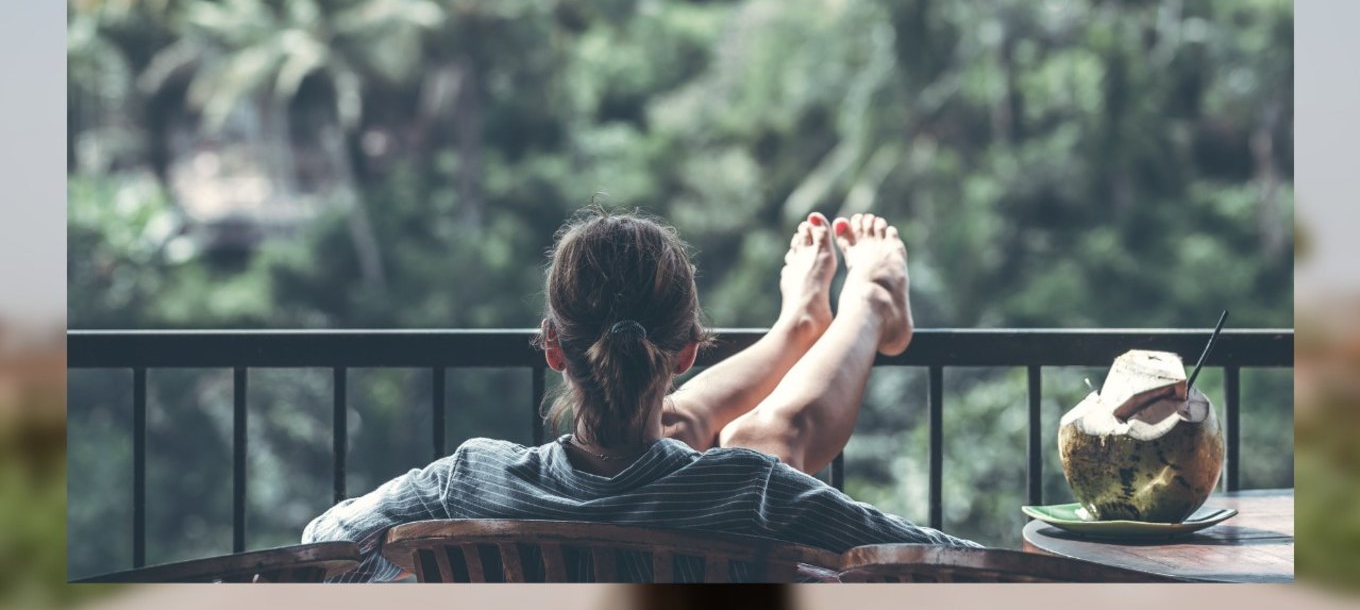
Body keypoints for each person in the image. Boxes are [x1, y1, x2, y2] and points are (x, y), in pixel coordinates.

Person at [302, 207, 979, 582]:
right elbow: (944, 564)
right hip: (717, 484)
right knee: (755, 441)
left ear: (552, 346)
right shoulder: (752, 491)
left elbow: (322, 543)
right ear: (687, 350)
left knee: (721, 440)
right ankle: (861, 300)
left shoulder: (469, 481)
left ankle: (804, 324)